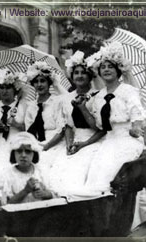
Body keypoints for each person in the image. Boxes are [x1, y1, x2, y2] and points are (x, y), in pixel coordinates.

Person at [82, 41, 146, 193]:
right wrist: (82, 107)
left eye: (110, 66)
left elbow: (136, 112)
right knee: (93, 177)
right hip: (109, 141)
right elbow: (99, 126)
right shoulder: (99, 96)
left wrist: (136, 128)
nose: (106, 70)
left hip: (127, 139)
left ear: (118, 70)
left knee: (110, 176)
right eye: (103, 67)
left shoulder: (128, 90)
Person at [49, 51, 107, 194]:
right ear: (72, 76)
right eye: (76, 73)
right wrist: (69, 145)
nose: (79, 76)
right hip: (75, 142)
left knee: (81, 171)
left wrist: (83, 108)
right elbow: (68, 125)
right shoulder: (66, 98)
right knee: (57, 171)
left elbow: (101, 128)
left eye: (83, 73)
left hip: (93, 141)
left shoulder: (99, 96)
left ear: (90, 76)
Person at [0, 69, 27, 179]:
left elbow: (31, 130)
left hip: (18, 149)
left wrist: (17, 125)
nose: (4, 91)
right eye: (2, 87)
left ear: (15, 89)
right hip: (1, 150)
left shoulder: (23, 106)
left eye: (8, 87)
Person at [0, 132, 56, 205]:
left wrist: (45, 194)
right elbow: (5, 204)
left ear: (34, 154)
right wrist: (25, 191)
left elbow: (55, 195)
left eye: (28, 151)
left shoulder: (41, 172)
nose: (23, 155)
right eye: (19, 151)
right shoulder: (6, 175)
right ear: (14, 153)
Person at [24, 61, 67, 168]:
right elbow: (29, 131)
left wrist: (46, 146)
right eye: (36, 82)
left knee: (44, 164)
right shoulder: (31, 106)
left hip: (55, 144)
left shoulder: (57, 102)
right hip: (36, 144)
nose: (39, 85)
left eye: (43, 81)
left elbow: (61, 130)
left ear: (49, 83)